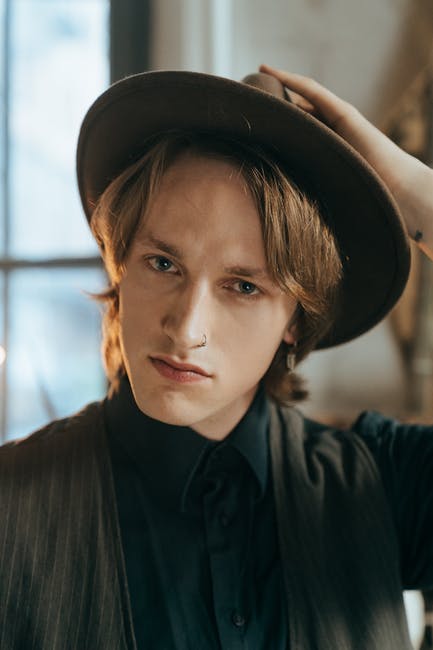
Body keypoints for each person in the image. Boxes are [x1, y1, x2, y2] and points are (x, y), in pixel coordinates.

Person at [0, 65, 431, 650]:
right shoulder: (12, 506)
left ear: (295, 321)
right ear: (120, 266)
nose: (187, 328)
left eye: (243, 286)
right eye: (163, 264)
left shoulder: (385, 485)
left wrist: (410, 190)